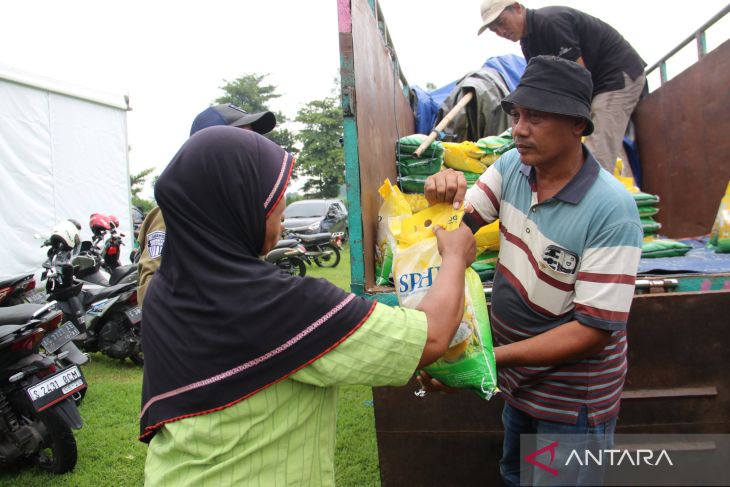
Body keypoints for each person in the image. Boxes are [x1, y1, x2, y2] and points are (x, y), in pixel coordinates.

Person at [139, 126, 476, 486]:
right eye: (269, 193)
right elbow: (433, 335)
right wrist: (454, 257)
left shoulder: (164, 292)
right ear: (232, 203)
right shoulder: (278, 303)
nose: (281, 204)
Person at [423, 56, 642, 486]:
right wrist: (442, 195)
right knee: (516, 474)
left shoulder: (611, 210)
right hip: (520, 384)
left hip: (571, 400)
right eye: (517, 115)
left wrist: (486, 361)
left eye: (536, 117)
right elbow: (460, 228)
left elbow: (591, 331)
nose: (519, 129)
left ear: (578, 124)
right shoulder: (512, 168)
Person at [477, 0, 646, 173]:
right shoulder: (528, 44)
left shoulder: (550, 22)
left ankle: (592, 197)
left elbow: (577, 75)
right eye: (494, 29)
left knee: (598, 140)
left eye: (501, 22)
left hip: (616, 75)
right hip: (594, 85)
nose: (501, 31)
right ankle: (628, 192)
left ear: (518, 9)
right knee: (607, 145)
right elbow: (540, 87)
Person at [137, 103, 277, 305]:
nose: (252, 149)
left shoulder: (241, 212)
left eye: (252, 140)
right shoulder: (173, 213)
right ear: (204, 149)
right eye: (240, 140)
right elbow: (150, 292)